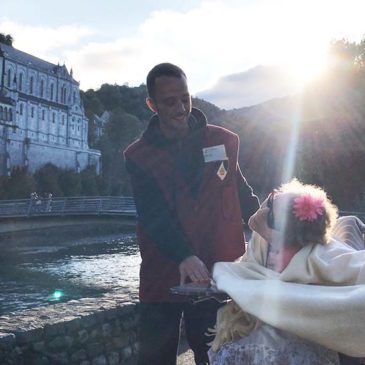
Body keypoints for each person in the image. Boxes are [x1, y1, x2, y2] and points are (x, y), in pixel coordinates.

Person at [124, 63, 259, 365]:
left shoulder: (221, 141)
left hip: (214, 270)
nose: (180, 107)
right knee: (155, 357)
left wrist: (267, 220)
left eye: (184, 98)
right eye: (169, 101)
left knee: (213, 354)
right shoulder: (139, 156)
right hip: (163, 270)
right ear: (152, 104)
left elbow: (238, 189)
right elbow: (153, 214)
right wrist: (184, 254)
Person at [208, 179, 365, 365]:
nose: (268, 202)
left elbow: (354, 268)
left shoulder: (323, 253)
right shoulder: (264, 244)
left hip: (310, 342)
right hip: (279, 331)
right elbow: (255, 222)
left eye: (273, 204)